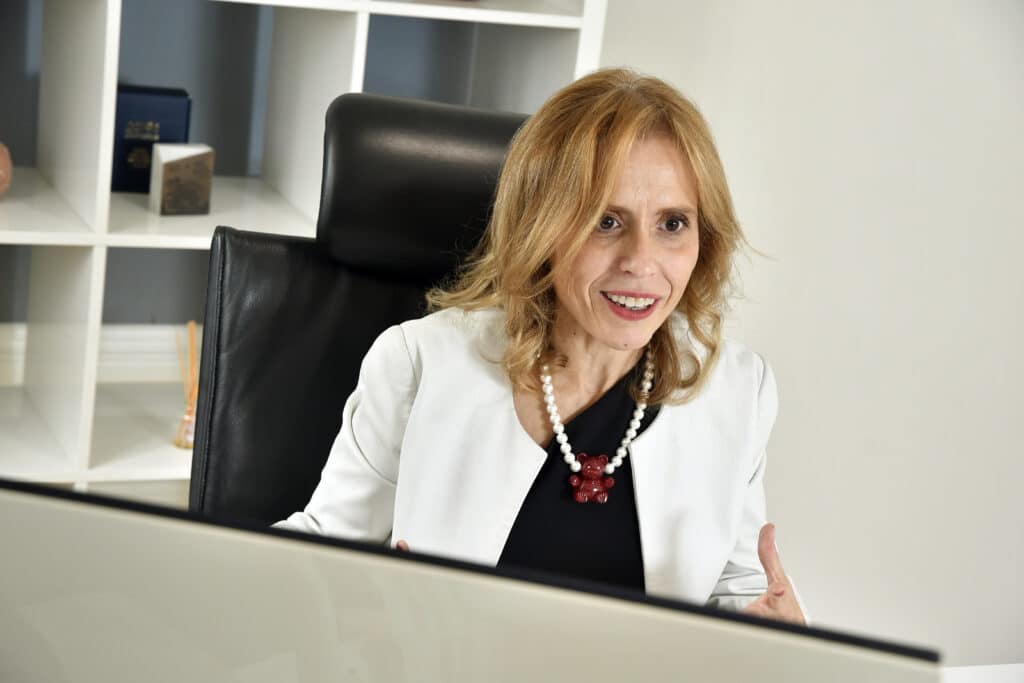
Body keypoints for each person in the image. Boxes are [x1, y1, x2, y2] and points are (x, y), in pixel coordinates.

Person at [276, 68, 807, 626]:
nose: (641, 261)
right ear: (541, 227)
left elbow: (737, 584)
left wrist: (773, 636)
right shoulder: (419, 364)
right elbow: (319, 553)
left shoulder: (739, 392)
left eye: (673, 223)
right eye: (606, 221)